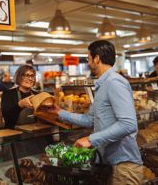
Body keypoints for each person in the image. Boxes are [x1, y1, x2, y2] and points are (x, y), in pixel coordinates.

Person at [46, 40, 143, 185]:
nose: (88, 62)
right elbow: (89, 120)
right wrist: (59, 112)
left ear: (97, 58)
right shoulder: (102, 84)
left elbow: (128, 124)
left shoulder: (114, 82)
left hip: (123, 167)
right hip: (107, 164)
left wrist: (91, 139)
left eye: (88, 58)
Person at [1, 65, 38, 129]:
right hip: (15, 134)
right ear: (19, 77)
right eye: (26, 75)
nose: (30, 78)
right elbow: (7, 117)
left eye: (32, 76)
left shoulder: (37, 94)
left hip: (34, 132)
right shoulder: (8, 94)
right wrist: (19, 105)